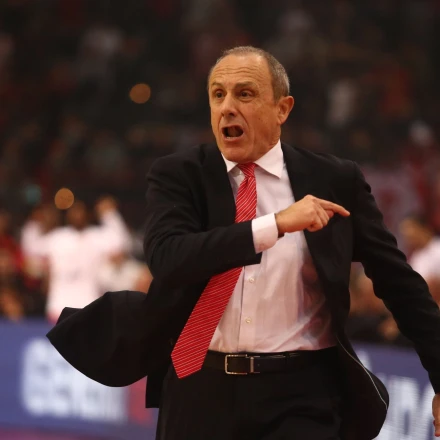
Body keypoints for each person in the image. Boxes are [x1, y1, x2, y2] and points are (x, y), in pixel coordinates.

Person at [47, 46, 440, 440]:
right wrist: (275, 224)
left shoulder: (334, 180)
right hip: (199, 388)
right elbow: (168, 258)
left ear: (282, 109)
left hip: (303, 394)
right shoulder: (180, 175)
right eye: (218, 94)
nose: (227, 108)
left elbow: (398, 281)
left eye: (245, 94)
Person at [21, 196, 131, 322]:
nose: (77, 215)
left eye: (81, 211)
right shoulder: (57, 238)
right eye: (74, 211)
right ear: (68, 215)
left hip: (90, 305)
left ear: (88, 214)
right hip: (59, 306)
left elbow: (122, 242)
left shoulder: (97, 237)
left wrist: (109, 215)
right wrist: (36, 220)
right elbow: (31, 248)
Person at [400, 214, 440, 305]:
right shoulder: (416, 257)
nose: (407, 237)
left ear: (422, 228)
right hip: (424, 305)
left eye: (409, 231)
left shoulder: (438, 248)